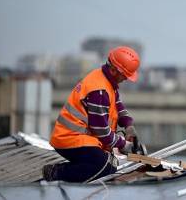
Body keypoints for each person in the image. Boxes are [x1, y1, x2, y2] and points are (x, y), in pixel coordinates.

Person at [42, 46, 141, 182]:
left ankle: (69, 171)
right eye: (125, 75)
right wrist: (124, 144)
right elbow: (102, 132)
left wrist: (129, 126)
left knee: (109, 166)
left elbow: (118, 105)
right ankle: (56, 173)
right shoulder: (99, 91)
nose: (126, 79)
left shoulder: (106, 81)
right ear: (114, 70)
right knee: (104, 167)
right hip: (70, 139)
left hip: (82, 139)